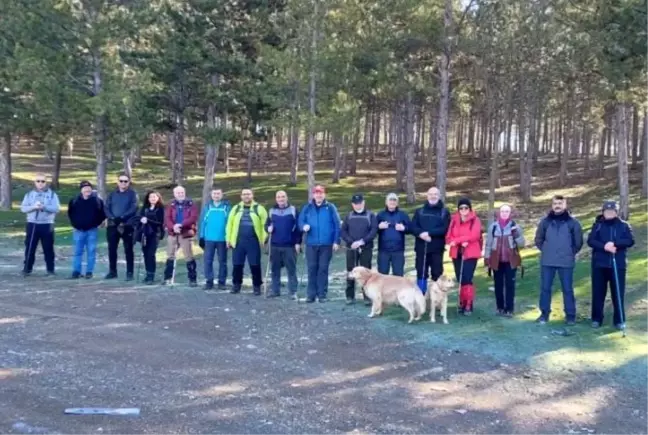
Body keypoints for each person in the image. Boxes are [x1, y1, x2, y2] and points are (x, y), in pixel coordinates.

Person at [534, 195, 583, 325]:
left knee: (567, 289)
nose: (557, 206)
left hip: (566, 262)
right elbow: (538, 239)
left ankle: (570, 316)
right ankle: (544, 314)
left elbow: (578, 243)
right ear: (552, 205)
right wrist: (546, 249)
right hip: (547, 261)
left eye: (560, 203)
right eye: (555, 203)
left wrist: (569, 252)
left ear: (565, 205)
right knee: (545, 288)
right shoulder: (545, 222)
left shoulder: (573, 223)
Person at [587, 200, 634, 330]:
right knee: (598, 293)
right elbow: (591, 241)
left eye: (612, 211)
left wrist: (615, 244)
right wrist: (605, 247)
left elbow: (630, 240)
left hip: (617, 265)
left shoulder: (624, 225)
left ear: (616, 212)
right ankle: (596, 318)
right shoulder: (598, 225)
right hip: (599, 264)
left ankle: (619, 320)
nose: (609, 213)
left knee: (618, 293)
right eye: (607, 211)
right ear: (603, 212)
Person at [298, 184, 341, 303]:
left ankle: (322, 294)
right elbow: (300, 221)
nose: (319, 195)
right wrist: (303, 226)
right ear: (313, 195)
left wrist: (336, 241)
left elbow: (337, 224)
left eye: (321, 193)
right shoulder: (307, 208)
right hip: (311, 244)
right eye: (316, 193)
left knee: (323, 268)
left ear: (324, 194)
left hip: (326, 244)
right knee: (312, 268)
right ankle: (311, 295)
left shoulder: (330, 207)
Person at [483, 204, 525, 317]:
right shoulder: (493, 227)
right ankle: (500, 308)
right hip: (497, 261)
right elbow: (488, 244)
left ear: (510, 213)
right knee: (498, 285)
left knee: (510, 285)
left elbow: (522, 244)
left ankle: (509, 309)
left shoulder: (515, 226)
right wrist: (487, 259)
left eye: (507, 211)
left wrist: (516, 235)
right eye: (502, 211)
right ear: (499, 213)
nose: (504, 213)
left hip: (511, 261)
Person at [225, 188, 268, 295]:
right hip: (238, 241)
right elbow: (229, 224)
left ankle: (257, 286)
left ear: (252, 195)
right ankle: (236, 285)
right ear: (241, 196)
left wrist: (263, 238)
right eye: (244, 194)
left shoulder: (259, 208)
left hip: (253, 241)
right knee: (237, 265)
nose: (246, 196)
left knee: (255, 264)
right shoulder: (236, 208)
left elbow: (265, 225)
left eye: (248, 194)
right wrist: (228, 239)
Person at [410, 187, 451, 294]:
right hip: (421, 247)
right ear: (427, 196)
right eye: (430, 194)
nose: (433, 196)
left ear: (439, 196)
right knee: (421, 272)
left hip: (437, 249)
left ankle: (436, 298)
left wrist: (429, 233)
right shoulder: (419, 211)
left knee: (437, 273)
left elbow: (444, 229)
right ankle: (421, 297)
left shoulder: (444, 212)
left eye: (435, 194)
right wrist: (421, 234)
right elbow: (413, 227)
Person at [446, 198, 482, 315]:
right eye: (461, 208)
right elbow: (448, 236)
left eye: (466, 207)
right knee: (460, 278)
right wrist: (455, 242)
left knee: (467, 278)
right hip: (457, 252)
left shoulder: (475, 220)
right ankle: (462, 302)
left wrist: (458, 241)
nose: (463, 210)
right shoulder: (454, 220)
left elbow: (475, 235)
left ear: (469, 208)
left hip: (470, 252)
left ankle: (468, 304)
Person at [20, 173, 61, 276]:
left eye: (43, 181)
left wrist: (44, 207)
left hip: (47, 224)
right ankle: (27, 269)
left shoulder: (52, 195)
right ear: (35, 182)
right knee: (30, 247)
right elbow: (23, 208)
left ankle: (50, 270)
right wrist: (33, 207)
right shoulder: (29, 195)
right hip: (32, 223)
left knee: (48, 248)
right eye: (38, 181)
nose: (40, 183)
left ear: (46, 183)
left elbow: (56, 209)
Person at [341, 193, 378, 305]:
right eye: (355, 203)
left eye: (360, 203)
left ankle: (367, 296)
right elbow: (343, 231)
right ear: (352, 204)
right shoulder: (349, 216)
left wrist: (362, 241)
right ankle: (350, 296)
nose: (358, 205)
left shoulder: (370, 215)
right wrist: (352, 242)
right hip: (352, 248)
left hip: (366, 247)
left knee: (366, 272)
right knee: (350, 272)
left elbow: (373, 231)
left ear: (363, 202)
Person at [265, 190, 301, 299]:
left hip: (289, 246)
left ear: (287, 197)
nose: (281, 199)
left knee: (291, 270)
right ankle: (275, 291)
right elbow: (266, 224)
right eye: (279, 197)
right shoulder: (272, 211)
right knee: (275, 269)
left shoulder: (293, 210)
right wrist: (268, 228)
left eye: (283, 197)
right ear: (276, 199)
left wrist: (298, 242)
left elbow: (298, 228)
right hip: (275, 245)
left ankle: (293, 292)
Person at [67, 181, 105, 279]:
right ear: (81, 190)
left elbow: (103, 214)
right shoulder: (74, 201)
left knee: (91, 252)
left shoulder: (97, 201)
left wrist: (96, 223)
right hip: (78, 231)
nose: (87, 190)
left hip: (92, 230)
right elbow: (70, 214)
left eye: (89, 188)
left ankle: (89, 272)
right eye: (85, 188)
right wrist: (74, 224)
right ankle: (76, 271)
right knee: (77, 252)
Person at [104, 173, 139, 280]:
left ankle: (129, 273)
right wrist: (113, 218)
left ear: (128, 182)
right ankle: (112, 271)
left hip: (127, 225)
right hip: (113, 225)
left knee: (128, 250)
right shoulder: (112, 194)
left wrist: (123, 217)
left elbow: (134, 208)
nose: (123, 183)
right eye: (121, 181)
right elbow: (106, 208)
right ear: (117, 182)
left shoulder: (132, 194)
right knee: (112, 249)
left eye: (125, 181)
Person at [163, 186, 199, 286]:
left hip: (185, 232)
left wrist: (181, 224)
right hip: (173, 232)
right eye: (178, 193)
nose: (180, 194)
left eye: (182, 192)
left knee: (188, 256)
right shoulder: (171, 204)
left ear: (185, 192)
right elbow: (167, 217)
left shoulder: (191, 204)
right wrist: (173, 226)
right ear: (174, 194)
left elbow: (193, 217)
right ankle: (168, 278)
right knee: (170, 255)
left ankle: (192, 279)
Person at [199, 188, 231, 290]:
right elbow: (203, 223)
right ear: (211, 195)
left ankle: (222, 282)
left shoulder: (226, 207)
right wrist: (201, 236)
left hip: (222, 239)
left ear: (222, 195)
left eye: (218, 194)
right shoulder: (207, 207)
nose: (216, 195)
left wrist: (229, 238)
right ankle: (209, 281)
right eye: (214, 194)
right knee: (208, 261)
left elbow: (230, 223)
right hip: (209, 239)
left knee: (223, 261)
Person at [376, 193, 410, 277]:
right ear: (386, 202)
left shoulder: (403, 215)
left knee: (398, 277)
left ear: (397, 203)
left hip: (398, 251)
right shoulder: (380, 215)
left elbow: (411, 228)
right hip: (383, 251)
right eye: (390, 200)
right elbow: (373, 230)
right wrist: (379, 227)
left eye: (394, 200)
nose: (392, 202)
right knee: (382, 277)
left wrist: (404, 228)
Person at [137, 191, 165, 284]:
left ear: (158, 198)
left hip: (155, 234)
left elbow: (160, 222)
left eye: (154, 197)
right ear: (148, 199)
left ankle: (151, 276)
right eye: (150, 197)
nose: (152, 198)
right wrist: (141, 220)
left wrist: (148, 220)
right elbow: (139, 218)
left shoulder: (161, 209)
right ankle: (148, 274)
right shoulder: (145, 208)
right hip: (145, 234)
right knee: (145, 254)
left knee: (151, 254)